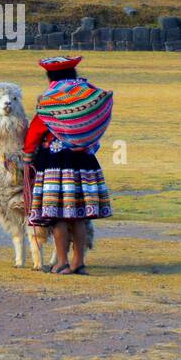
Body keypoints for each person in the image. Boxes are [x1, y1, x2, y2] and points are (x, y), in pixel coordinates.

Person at [23, 56, 114, 275]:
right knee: (79, 216)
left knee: (59, 216)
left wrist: (27, 156)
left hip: (56, 163)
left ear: (49, 77)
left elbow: (36, 130)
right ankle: (78, 262)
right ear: (73, 73)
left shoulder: (50, 100)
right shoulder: (88, 96)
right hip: (84, 161)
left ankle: (62, 261)